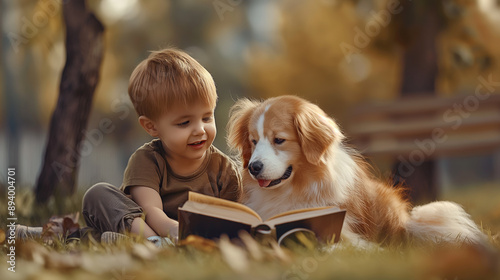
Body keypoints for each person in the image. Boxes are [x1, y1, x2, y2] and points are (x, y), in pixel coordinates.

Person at [80, 48, 242, 245]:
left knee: (88, 235)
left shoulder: (224, 171)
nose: (200, 130)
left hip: (199, 238)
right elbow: (151, 210)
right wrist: (176, 230)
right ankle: (152, 243)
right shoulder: (147, 160)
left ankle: (117, 241)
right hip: (148, 228)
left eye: (207, 117)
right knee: (98, 194)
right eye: (184, 123)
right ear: (152, 126)